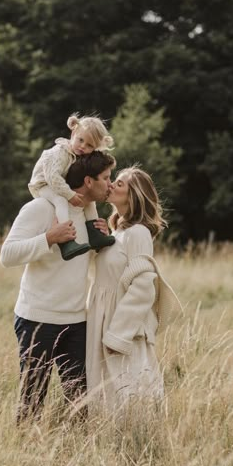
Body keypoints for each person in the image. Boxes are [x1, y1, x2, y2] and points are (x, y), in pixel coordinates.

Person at [0, 151, 116, 421]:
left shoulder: (91, 218)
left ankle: (72, 456)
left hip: (76, 321)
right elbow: (7, 255)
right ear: (88, 181)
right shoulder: (41, 208)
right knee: (31, 403)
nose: (111, 184)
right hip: (37, 319)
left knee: (79, 404)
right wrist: (48, 239)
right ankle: (26, 454)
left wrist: (106, 240)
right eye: (107, 178)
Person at [86, 166, 183, 411]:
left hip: (121, 325)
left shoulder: (138, 233)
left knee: (129, 388)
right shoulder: (118, 232)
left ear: (133, 196)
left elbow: (143, 287)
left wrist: (119, 335)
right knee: (105, 390)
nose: (111, 185)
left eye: (119, 183)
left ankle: (137, 441)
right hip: (102, 316)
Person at [28, 113, 116, 260]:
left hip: (59, 184)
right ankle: (67, 240)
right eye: (80, 140)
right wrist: (70, 194)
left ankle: (95, 234)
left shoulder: (77, 153)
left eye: (89, 145)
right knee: (60, 200)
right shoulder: (60, 152)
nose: (83, 146)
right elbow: (53, 178)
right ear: (73, 132)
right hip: (43, 183)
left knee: (89, 201)